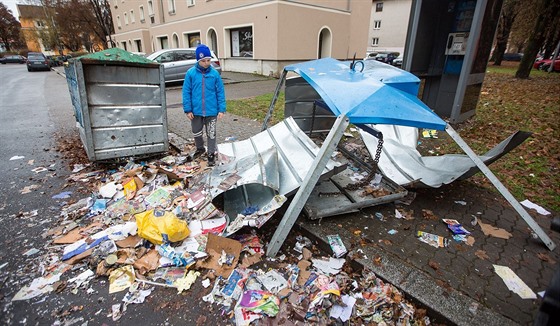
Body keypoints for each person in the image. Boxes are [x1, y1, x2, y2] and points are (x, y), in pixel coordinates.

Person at [182, 44, 226, 166]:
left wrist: (221, 109)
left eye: (208, 60)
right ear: (198, 60)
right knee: (196, 132)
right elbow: (186, 92)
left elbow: (220, 91)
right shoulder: (190, 74)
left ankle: (211, 154)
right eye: (203, 61)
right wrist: (188, 109)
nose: (207, 63)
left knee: (211, 133)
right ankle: (200, 148)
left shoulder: (214, 74)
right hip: (195, 111)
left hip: (211, 110)